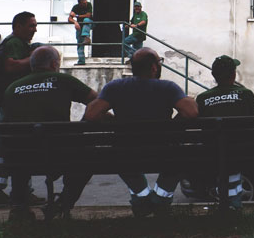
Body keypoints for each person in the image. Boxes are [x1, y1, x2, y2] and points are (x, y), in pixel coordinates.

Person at [55, 47, 198, 218]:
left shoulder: (116, 87)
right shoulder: (167, 87)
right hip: (162, 151)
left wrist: (114, 122)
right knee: (180, 153)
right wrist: (173, 125)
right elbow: (192, 112)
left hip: (126, 153)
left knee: (120, 154)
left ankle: (142, 198)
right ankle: (160, 199)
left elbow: (91, 114)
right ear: (154, 68)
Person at [0, 46, 97, 222]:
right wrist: (82, 125)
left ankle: (19, 207)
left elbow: (6, 123)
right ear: (54, 63)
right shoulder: (63, 80)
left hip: (20, 157)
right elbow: (96, 101)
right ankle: (63, 204)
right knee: (88, 154)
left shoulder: (12, 88)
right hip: (60, 154)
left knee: (18, 148)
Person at [194, 55, 254, 209]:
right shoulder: (246, 94)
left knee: (223, 155)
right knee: (232, 157)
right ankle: (233, 207)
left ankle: (226, 204)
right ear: (233, 74)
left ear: (214, 75)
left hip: (212, 153)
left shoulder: (203, 98)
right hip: (243, 152)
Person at [0, 11, 39, 204]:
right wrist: (35, 58)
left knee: (6, 148)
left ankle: (12, 191)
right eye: (30, 25)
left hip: (3, 102)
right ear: (17, 26)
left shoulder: (13, 43)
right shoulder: (14, 43)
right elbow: (11, 67)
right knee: (13, 147)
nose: (34, 29)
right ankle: (17, 193)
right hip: (6, 105)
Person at [68, 0, 93, 65]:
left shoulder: (89, 4)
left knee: (86, 20)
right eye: (83, 3)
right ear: (80, 4)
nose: (85, 4)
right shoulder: (76, 7)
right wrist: (75, 22)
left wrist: (77, 16)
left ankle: (86, 36)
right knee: (80, 43)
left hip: (89, 23)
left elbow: (88, 15)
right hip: (80, 26)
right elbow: (69, 18)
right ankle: (81, 61)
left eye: (86, 2)